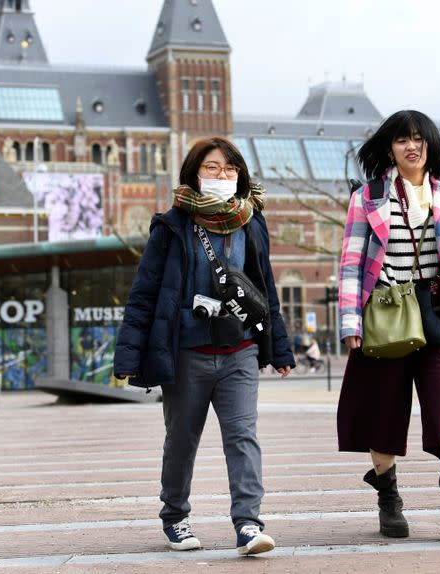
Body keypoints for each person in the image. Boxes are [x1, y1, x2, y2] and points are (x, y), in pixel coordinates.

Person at [114, 137, 294, 555]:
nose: (221, 176)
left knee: (243, 435)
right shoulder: (171, 226)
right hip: (187, 352)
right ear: (194, 172)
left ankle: (248, 524)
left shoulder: (252, 222)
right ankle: (175, 516)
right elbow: (144, 295)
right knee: (181, 439)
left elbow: (265, 289)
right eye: (212, 168)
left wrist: (280, 348)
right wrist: (127, 356)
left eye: (230, 170)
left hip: (240, 349)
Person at [336, 110, 440, 538]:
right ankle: (389, 500)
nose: (412, 147)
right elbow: (351, 263)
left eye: (420, 140)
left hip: (439, 311)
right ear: (390, 147)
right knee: (382, 408)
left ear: (430, 147)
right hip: (386, 311)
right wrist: (350, 319)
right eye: (403, 140)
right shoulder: (367, 197)